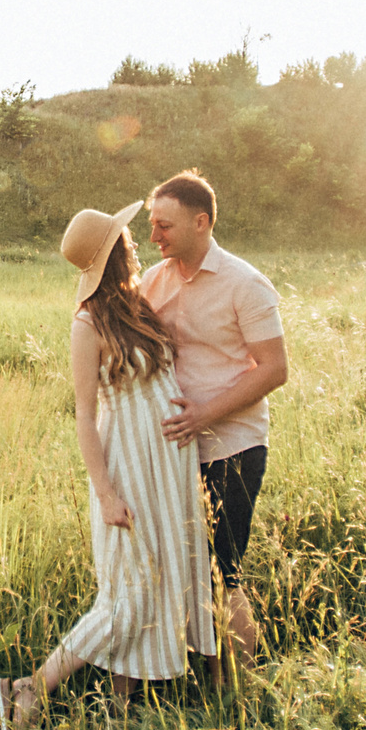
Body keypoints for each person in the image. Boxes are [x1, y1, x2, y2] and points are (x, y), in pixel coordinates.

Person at [0, 201, 217, 730]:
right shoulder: (86, 323)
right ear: (113, 253)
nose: (136, 241)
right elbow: (84, 414)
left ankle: (123, 714)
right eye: (125, 238)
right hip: (130, 468)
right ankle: (28, 688)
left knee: (162, 580)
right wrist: (105, 492)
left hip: (168, 469)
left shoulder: (135, 305)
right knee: (128, 595)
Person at [139, 170, 286, 682]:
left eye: (164, 225)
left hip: (234, 446)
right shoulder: (153, 281)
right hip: (175, 450)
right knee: (183, 569)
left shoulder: (246, 284)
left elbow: (274, 368)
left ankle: (238, 688)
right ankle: (195, 675)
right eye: (152, 225)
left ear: (201, 223)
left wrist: (205, 414)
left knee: (226, 572)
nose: (154, 236)